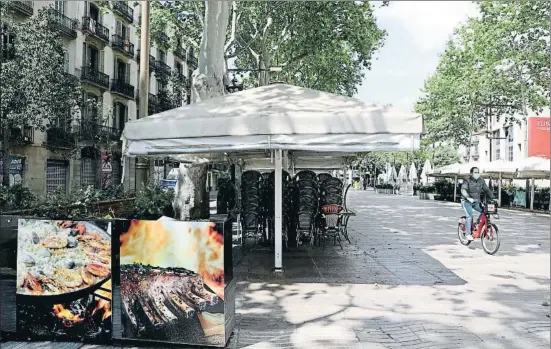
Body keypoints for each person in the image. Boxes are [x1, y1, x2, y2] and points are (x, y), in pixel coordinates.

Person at [460, 167, 496, 241]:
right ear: (471, 173)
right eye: (475, 172)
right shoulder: (467, 180)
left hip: (476, 201)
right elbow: (463, 190)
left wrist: (493, 197)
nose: (477, 174)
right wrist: (467, 197)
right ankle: (468, 234)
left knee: (485, 211)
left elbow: (487, 189)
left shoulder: (481, 180)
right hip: (466, 201)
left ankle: (476, 224)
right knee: (469, 215)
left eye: (478, 172)